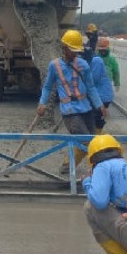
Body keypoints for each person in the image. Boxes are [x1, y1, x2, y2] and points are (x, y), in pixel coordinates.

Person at [37, 29, 105, 174]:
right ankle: (100, 169)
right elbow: (48, 87)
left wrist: (99, 105)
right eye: (72, 50)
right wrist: (42, 103)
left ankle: (68, 167)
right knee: (88, 142)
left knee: (91, 140)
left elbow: (91, 87)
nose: (74, 53)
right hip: (70, 112)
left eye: (76, 51)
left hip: (86, 109)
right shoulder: (54, 66)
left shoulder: (83, 65)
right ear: (64, 48)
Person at [90, 51, 114, 134]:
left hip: (102, 95)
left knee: (97, 117)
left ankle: (97, 137)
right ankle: (96, 135)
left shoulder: (96, 60)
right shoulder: (94, 60)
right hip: (100, 94)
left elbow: (93, 79)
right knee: (96, 117)